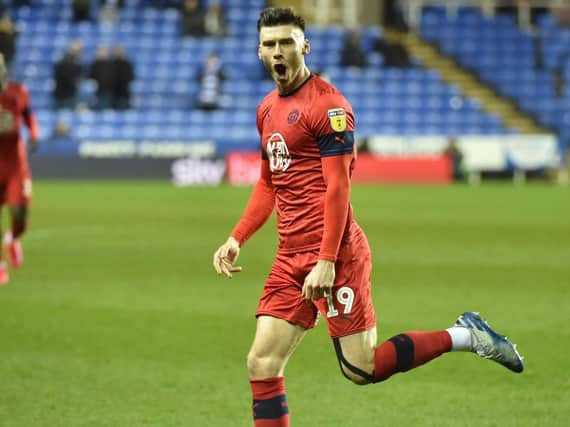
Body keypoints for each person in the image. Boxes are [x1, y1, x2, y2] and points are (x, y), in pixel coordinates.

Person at [212, 8, 524, 427]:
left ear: (305, 46)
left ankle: (465, 335)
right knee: (262, 362)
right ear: (259, 52)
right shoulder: (267, 109)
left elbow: (339, 188)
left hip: (336, 252)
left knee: (361, 369)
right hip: (290, 257)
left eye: (287, 42)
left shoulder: (329, 106)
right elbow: (270, 182)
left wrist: (326, 260)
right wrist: (237, 237)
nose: (278, 51)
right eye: (270, 44)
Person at [0, 54, 39, 286]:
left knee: (20, 213)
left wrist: (34, 133)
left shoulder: (18, 92)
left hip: (15, 164)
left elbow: (28, 115)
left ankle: (13, 238)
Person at [53, 41, 84, 110]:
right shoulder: (66, 61)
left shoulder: (77, 61)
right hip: (64, 93)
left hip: (69, 93)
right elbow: (62, 75)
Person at [110, 44, 134, 110]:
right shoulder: (111, 64)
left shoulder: (127, 64)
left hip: (124, 93)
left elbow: (130, 77)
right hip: (113, 94)